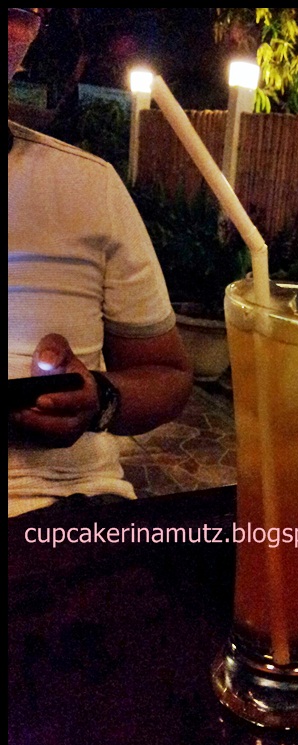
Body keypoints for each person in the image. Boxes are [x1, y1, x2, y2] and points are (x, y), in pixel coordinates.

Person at [8, 8, 193, 517]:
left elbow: (169, 376)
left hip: (62, 514)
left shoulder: (89, 186)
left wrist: (99, 398)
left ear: (26, 33)